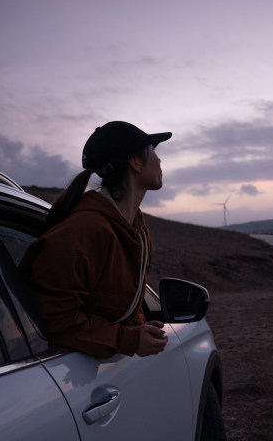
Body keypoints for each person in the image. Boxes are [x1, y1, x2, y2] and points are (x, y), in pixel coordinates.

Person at [20, 121, 171, 359]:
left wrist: (139, 331)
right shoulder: (83, 232)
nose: (160, 160)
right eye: (153, 150)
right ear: (135, 162)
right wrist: (127, 339)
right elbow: (56, 319)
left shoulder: (137, 232)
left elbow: (124, 307)